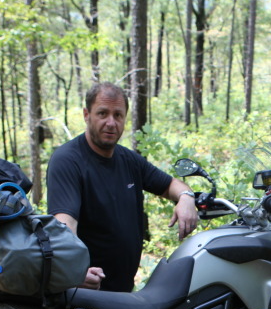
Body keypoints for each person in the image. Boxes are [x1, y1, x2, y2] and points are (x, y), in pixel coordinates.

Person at [46, 82, 199, 291]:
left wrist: (186, 197)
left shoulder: (129, 160)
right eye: (103, 113)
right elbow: (64, 224)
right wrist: (72, 269)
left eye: (118, 115)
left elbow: (170, 184)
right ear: (86, 115)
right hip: (86, 291)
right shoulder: (68, 160)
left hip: (123, 290)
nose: (111, 123)